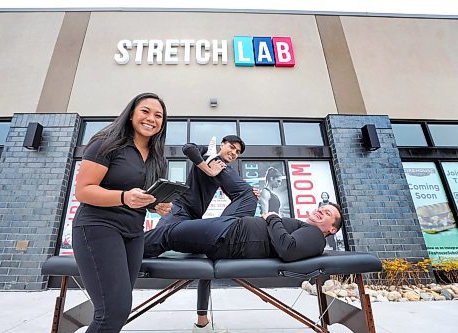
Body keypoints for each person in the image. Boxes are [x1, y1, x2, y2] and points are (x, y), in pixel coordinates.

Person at [72, 92, 171, 333]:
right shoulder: (107, 143)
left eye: (158, 115)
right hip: (97, 227)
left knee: (119, 308)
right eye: (145, 111)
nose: (151, 118)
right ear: (131, 115)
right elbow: (83, 191)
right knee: (112, 311)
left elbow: (141, 197)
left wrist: (155, 205)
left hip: (133, 233)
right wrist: (125, 197)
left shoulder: (158, 158)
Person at [146, 135, 258, 332]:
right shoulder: (208, 153)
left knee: (206, 264)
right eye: (231, 147)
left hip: (194, 218)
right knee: (152, 243)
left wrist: (248, 192)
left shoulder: (221, 166)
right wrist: (208, 167)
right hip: (179, 210)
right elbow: (187, 147)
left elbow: (234, 190)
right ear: (222, 144)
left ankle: (202, 322)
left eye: (237, 152)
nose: (233, 153)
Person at [144, 203, 343, 263]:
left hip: (228, 236)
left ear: (332, 229)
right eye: (321, 207)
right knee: (175, 222)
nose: (320, 211)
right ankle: (212, 164)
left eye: (327, 213)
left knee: (168, 234)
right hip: (230, 228)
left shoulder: (316, 236)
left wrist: (272, 217)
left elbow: (288, 249)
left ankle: (125, 248)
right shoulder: (305, 228)